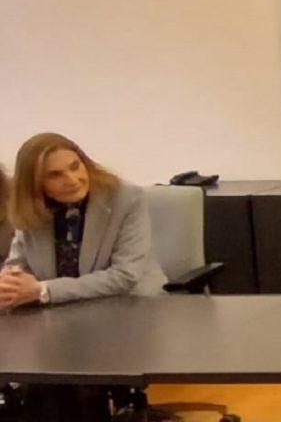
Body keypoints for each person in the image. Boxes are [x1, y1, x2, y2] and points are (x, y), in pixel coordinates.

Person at [0, 132, 167, 421]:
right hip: (60, 316)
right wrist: (9, 284)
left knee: (66, 373)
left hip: (127, 310)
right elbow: (18, 262)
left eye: (75, 166)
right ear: (36, 184)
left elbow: (124, 276)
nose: (73, 179)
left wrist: (42, 290)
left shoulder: (126, 198)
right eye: (55, 175)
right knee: (38, 370)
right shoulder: (30, 208)